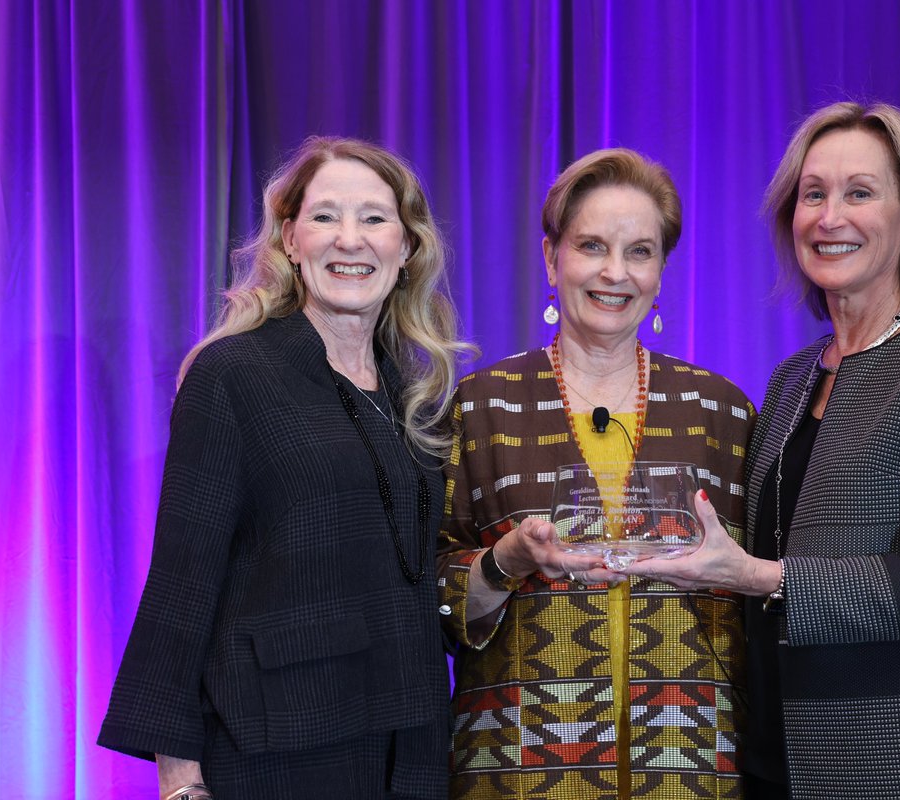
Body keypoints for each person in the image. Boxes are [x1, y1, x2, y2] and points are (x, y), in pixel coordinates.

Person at [619, 102, 900, 799]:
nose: (829, 217)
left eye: (860, 192)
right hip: (778, 758)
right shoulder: (793, 379)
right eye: (812, 194)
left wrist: (762, 577)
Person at [98, 137, 472, 800]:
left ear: (408, 249)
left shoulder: (408, 392)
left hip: (408, 744)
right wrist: (179, 776)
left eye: (375, 219)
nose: (349, 240)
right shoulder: (232, 375)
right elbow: (183, 582)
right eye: (326, 217)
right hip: (279, 746)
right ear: (291, 240)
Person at [436, 148, 754, 799]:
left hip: (691, 770)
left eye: (640, 251)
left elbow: (763, 589)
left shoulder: (721, 410)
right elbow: (424, 597)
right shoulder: (482, 407)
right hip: (518, 771)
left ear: (661, 272)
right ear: (552, 259)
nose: (616, 272)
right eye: (591, 246)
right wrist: (502, 562)